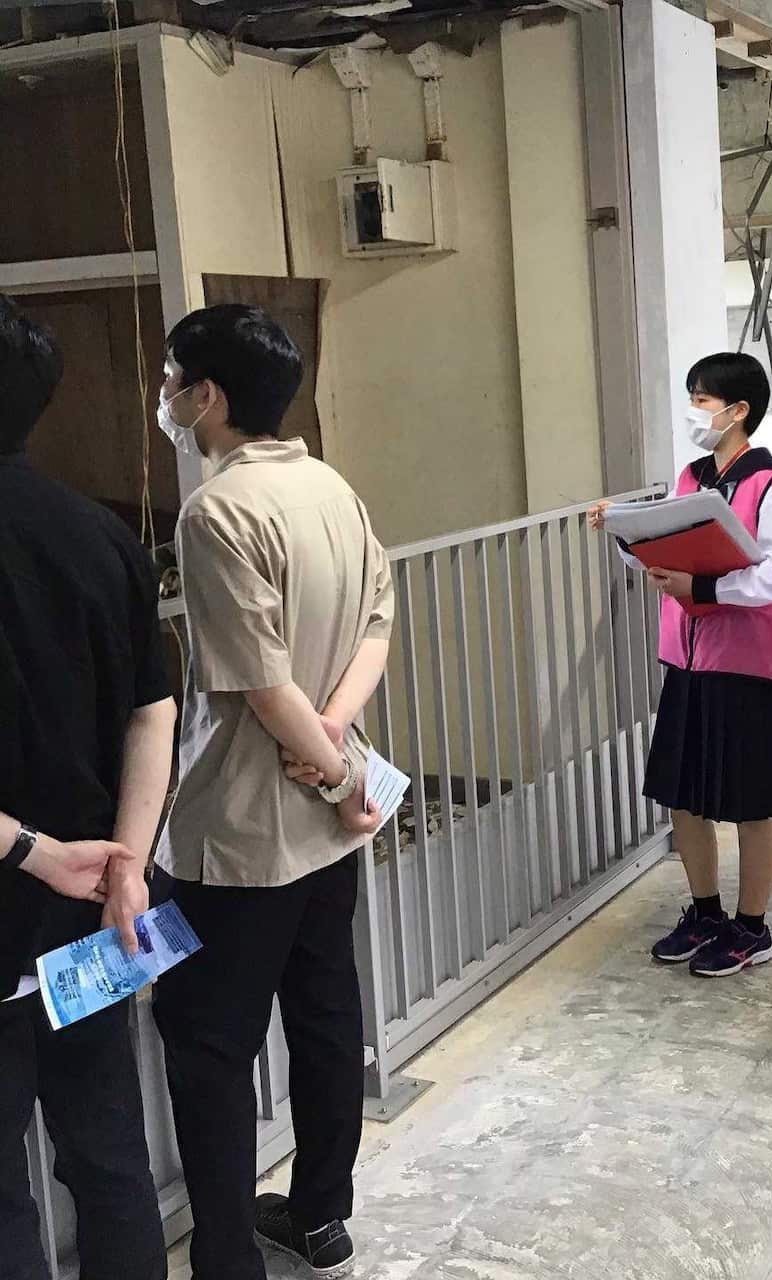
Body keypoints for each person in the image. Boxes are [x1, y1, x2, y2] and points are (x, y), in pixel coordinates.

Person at [149, 305, 394, 1280]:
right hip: (330, 827)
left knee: (209, 1045)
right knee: (325, 1014)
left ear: (206, 396)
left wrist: (327, 764)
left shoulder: (216, 512)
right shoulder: (329, 485)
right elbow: (377, 623)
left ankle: (225, 1258)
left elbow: (257, 683)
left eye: (171, 381)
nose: (166, 398)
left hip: (243, 832)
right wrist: (339, 745)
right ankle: (321, 1215)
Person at [0, 293, 175, 1280]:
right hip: (98, 911)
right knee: (107, 1152)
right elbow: (154, 709)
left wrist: (30, 850)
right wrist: (129, 863)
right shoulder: (101, 535)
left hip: (28, 886)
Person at [588, 352, 772, 977]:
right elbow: (661, 548)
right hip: (689, 662)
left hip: (747, 666)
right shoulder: (691, 478)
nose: (694, 411)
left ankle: (752, 926)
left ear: (739, 411)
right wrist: (624, 531)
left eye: (703, 400)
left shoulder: (767, 486)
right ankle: (706, 911)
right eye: (692, 397)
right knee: (684, 796)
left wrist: (707, 588)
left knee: (751, 803)